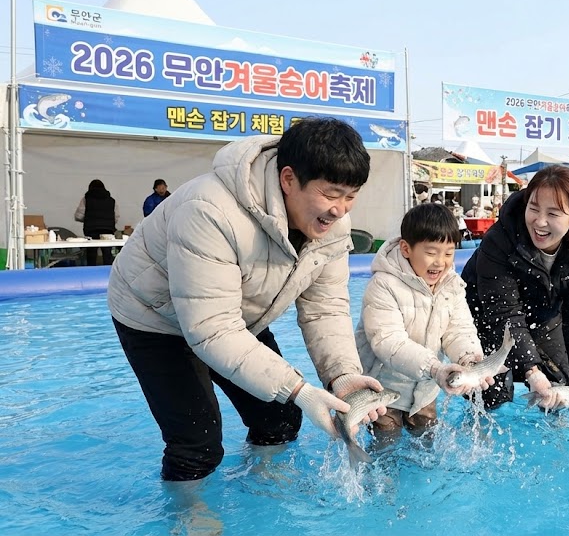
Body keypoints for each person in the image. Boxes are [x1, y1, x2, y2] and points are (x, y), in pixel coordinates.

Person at [107, 118, 388, 482]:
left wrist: (343, 375)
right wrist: (301, 390)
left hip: (235, 316)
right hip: (154, 318)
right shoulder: (210, 210)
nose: (340, 209)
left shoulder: (332, 226)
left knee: (280, 418)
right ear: (289, 179)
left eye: (350, 196)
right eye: (331, 194)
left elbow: (325, 308)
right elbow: (211, 329)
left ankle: (263, 482)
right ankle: (189, 509)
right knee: (197, 445)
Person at [461, 165, 569, 412]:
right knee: (491, 393)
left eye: (553, 213)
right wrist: (531, 371)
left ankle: (557, 434)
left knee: (561, 387)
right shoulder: (499, 239)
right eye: (533, 208)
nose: (540, 222)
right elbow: (504, 313)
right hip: (487, 313)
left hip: (543, 313)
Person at [356, 204, 494, 438]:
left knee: (426, 437)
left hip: (426, 388)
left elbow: (459, 330)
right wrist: (435, 369)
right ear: (406, 249)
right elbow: (389, 342)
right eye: (431, 253)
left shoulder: (451, 285)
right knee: (386, 442)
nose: (440, 262)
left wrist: (469, 359)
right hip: (384, 389)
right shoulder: (383, 285)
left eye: (448, 253)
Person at [74, 179, 119, 265]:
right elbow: (116, 217)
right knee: (107, 254)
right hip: (108, 230)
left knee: (91, 254)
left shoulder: (86, 199)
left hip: (91, 229)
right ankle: (108, 271)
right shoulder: (112, 200)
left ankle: (91, 271)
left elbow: (78, 215)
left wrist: (88, 219)